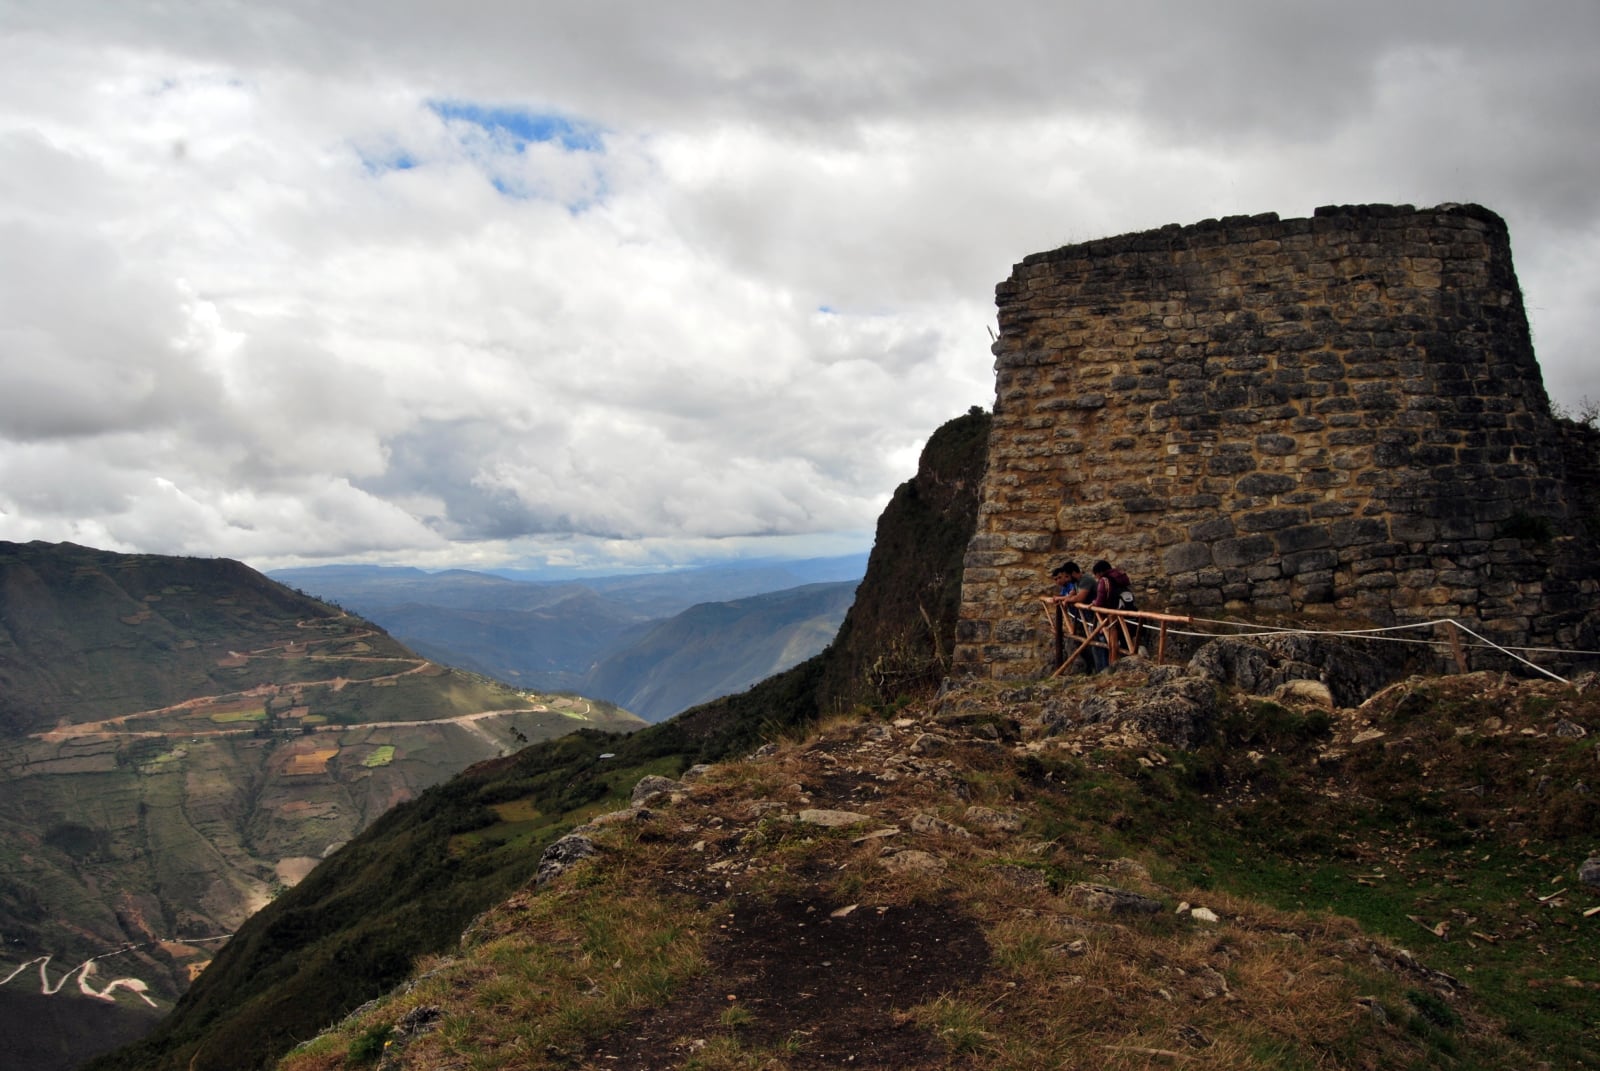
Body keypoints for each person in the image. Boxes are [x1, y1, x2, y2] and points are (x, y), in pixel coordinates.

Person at [1089, 560, 1139, 663]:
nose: (1096, 578)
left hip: (1112, 619)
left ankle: (1106, 668)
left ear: (1099, 572)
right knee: (1126, 643)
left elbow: (1100, 602)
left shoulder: (1105, 580)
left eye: (1096, 575)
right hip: (1128, 616)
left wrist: (1094, 602)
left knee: (1101, 640)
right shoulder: (1121, 578)